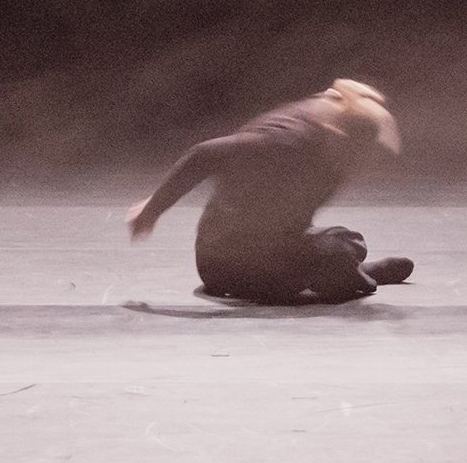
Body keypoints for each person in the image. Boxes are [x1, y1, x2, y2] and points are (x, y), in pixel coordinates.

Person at [125, 78, 416, 304]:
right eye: (360, 150)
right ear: (344, 136)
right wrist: (152, 210)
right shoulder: (287, 141)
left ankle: (347, 271)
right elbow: (204, 154)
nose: (360, 161)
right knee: (335, 255)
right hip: (230, 265)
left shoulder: (328, 142)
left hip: (268, 248)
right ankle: (358, 275)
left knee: (349, 241)